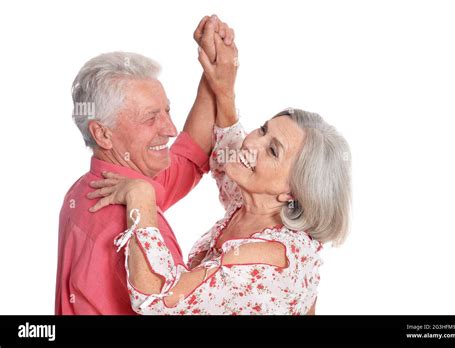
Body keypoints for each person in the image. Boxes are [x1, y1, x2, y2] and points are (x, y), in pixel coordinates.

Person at [88, 28, 352, 315]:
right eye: (263, 129)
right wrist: (224, 83)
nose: (252, 144)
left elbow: (156, 300)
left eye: (272, 150)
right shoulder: (252, 206)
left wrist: (141, 198)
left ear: (292, 191)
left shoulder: (260, 258)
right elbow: (229, 150)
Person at [55, 15, 234, 314]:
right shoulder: (135, 227)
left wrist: (214, 73)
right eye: (150, 118)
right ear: (102, 133)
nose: (170, 128)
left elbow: (189, 155)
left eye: (167, 111)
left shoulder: (99, 185)